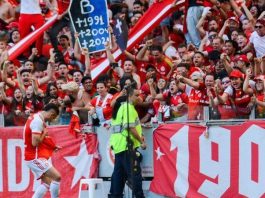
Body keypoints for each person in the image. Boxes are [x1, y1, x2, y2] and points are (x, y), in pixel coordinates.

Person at [109, 86, 146, 198]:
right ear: (129, 96)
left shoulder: (120, 108)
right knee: (135, 175)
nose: (139, 98)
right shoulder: (128, 108)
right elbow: (130, 127)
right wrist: (141, 141)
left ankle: (115, 196)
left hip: (119, 146)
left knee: (118, 176)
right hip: (127, 145)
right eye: (136, 95)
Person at [23, 103, 61, 198]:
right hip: (34, 158)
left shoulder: (35, 116)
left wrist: (52, 146)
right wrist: (44, 133)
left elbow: (37, 139)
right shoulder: (38, 122)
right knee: (57, 177)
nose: (52, 120)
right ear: (51, 114)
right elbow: (35, 143)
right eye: (54, 117)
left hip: (31, 157)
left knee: (47, 182)